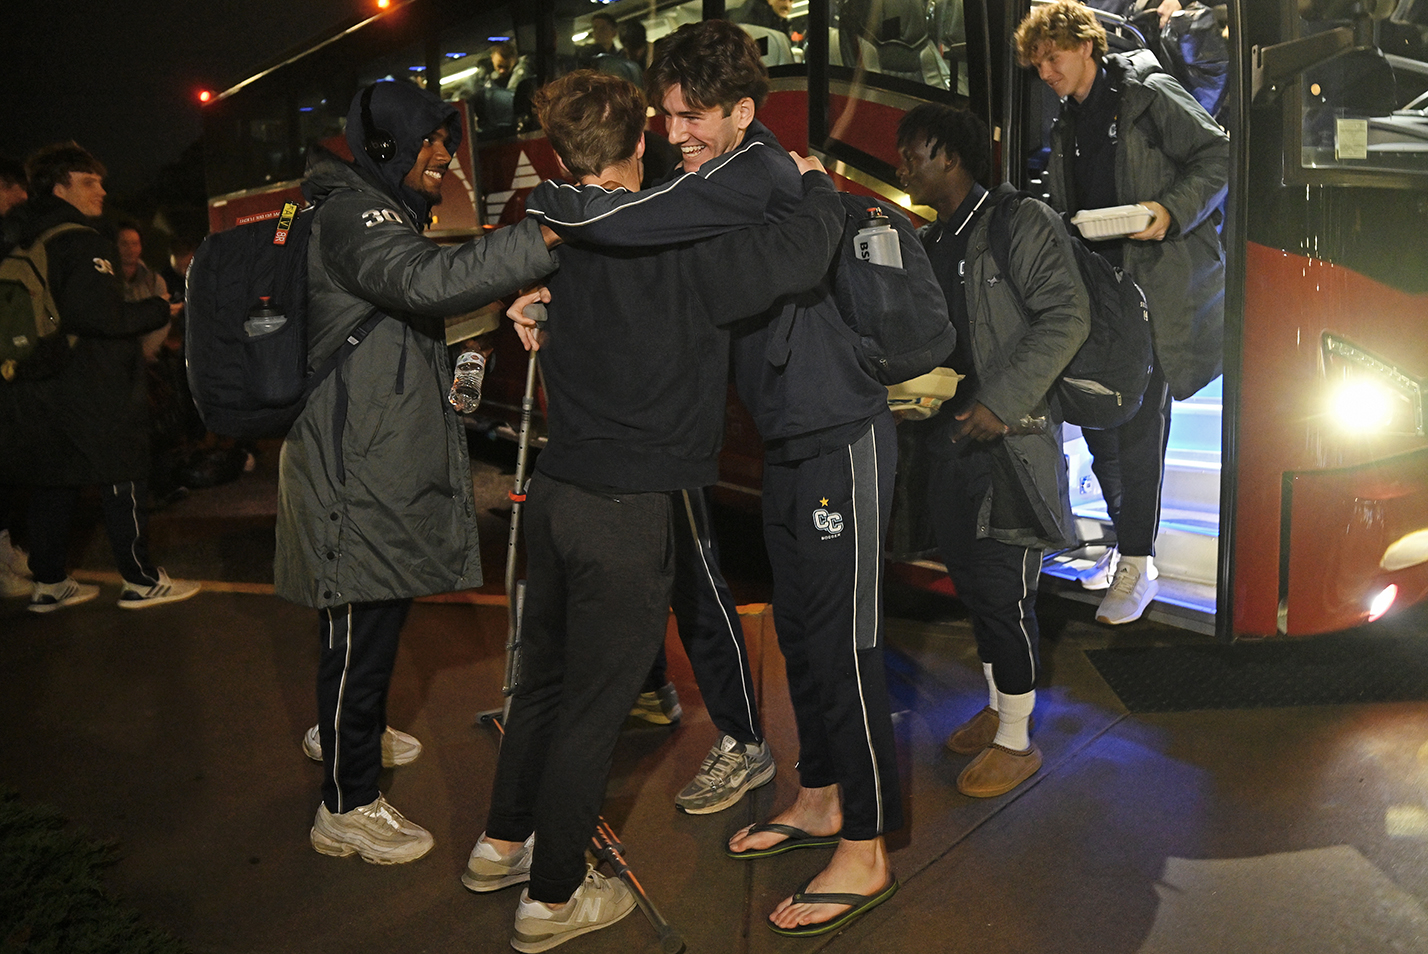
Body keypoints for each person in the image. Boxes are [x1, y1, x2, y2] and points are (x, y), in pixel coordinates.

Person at [521, 19, 913, 937]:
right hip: (789, 436)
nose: (673, 134)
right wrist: (549, 299)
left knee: (847, 645)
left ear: (743, 112)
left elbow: (630, 223)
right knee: (808, 636)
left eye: (692, 116)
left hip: (839, 433)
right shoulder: (732, 179)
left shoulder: (754, 174)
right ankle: (820, 794)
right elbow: (676, 284)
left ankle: (866, 846)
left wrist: (549, 216)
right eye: (665, 116)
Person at [469, 69, 848, 952]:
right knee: (593, 712)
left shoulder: (557, 242)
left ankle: (500, 844)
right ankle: (553, 898)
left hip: (561, 494)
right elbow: (801, 251)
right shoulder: (686, 246)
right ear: (640, 144)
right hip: (627, 510)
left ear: (559, 153)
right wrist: (819, 181)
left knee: (545, 684)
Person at [280, 79, 560, 865]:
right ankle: (346, 803)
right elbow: (420, 284)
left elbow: (410, 313)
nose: (445, 156)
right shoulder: (352, 211)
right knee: (358, 623)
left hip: (374, 450)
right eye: (431, 141)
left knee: (376, 608)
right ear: (384, 146)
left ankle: (351, 727)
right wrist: (546, 233)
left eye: (445, 139)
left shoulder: (379, 213)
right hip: (351, 461)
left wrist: (492, 309)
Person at [896, 103, 1089, 797]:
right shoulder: (930, 237)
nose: (899, 166)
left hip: (1010, 442)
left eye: (910, 152)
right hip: (950, 442)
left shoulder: (1017, 222)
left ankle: (1017, 738)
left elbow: (1067, 315)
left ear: (949, 155)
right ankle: (998, 706)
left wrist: (998, 401)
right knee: (975, 590)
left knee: (1002, 592)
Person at [1015, 0, 1227, 625]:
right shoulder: (1066, 120)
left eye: (1052, 58)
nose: (1045, 72)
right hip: (1103, 288)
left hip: (1156, 284)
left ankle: (1137, 558)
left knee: (1136, 424)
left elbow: (1218, 156)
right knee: (1103, 417)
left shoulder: (1147, 91)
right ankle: (1130, 548)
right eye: (1037, 63)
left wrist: (1166, 210)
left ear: (1086, 45)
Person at [0, 142, 200, 613]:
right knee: (122, 471)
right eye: (89, 181)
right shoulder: (82, 240)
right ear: (59, 186)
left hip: (35, 380)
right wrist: (158, 309)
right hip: (91, 383)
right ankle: (141, 580)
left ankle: (49, 583)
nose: (102, 191)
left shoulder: (19, 236)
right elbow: (100, 317)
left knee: (54, 477)